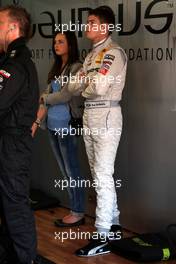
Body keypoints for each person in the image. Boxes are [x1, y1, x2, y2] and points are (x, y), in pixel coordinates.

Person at [68, 6, 127, 257]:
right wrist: (85, 85)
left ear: (105, 27)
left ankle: (102, 233)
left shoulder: (113, 53)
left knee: (102, 175)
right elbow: (72, 87)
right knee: (98, 174)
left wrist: (85, 85)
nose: (86, 26)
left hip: (106, 113)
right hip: (90, 113)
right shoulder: (92, 56)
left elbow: (99, 88)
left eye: (91, 22)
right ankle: (113, 224)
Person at [0, 5, 44, 264]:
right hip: (9, 142)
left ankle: (26, 259)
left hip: (13, 144)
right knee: (6, 204)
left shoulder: (16, 64)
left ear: (13, 27)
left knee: (14, 203)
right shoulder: (10, 61)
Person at [31, 30, 85, 227]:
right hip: (53, 127)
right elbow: (45, 99)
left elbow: (65, 96)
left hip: (67, 127)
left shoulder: (76, 67)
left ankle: (78, 212)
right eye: (55, 42)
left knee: (72, 171)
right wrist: (36, 123)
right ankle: (74, 209)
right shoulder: (56, 68)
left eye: (61, 42)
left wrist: (45, 98)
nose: (56, 45)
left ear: (70, 45)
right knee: (64, 171)